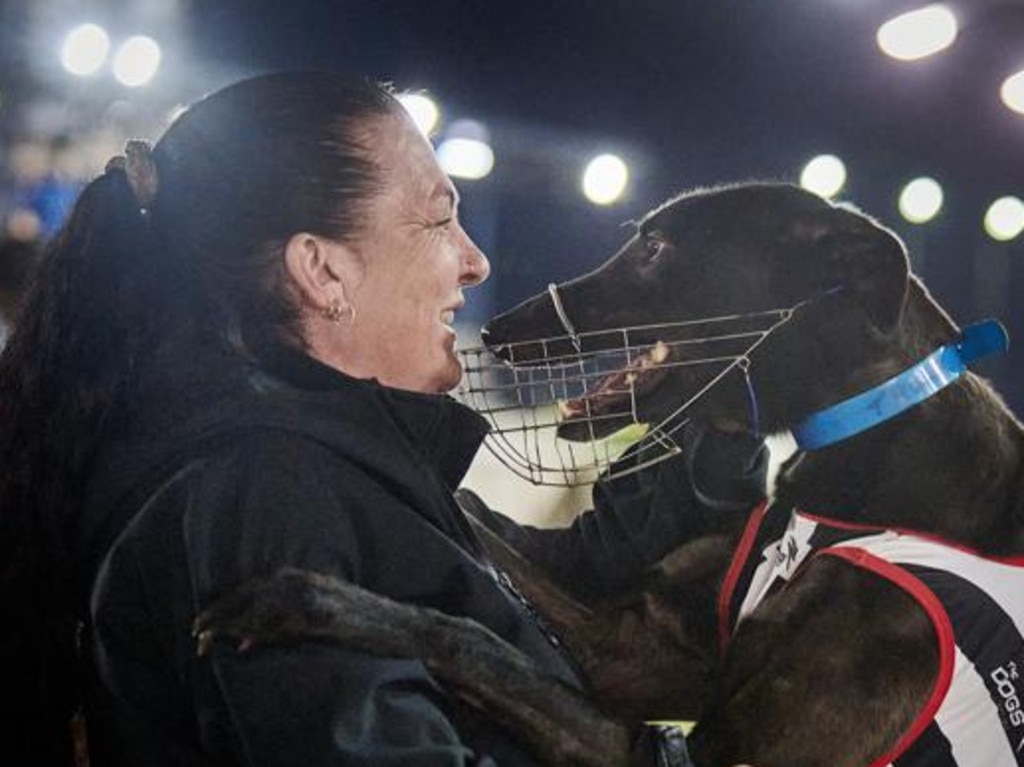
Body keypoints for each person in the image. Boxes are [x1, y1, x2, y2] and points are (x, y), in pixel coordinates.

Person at [0, 72, 766, 766]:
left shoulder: (322, 467)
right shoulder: (261, 499)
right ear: (323, 270)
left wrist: (720, 416)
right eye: (438, 221)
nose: (475, 260)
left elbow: (569, 579)